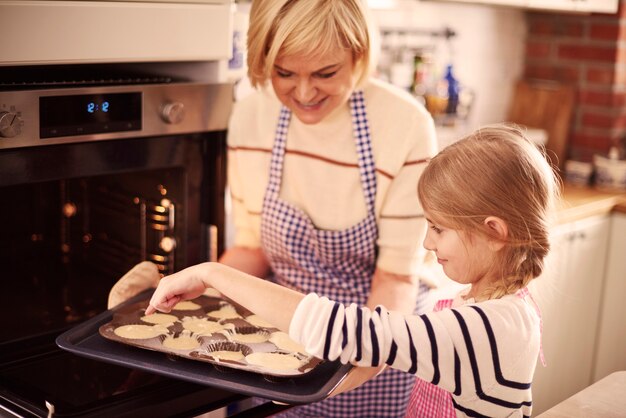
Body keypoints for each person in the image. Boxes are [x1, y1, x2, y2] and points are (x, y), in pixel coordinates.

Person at [146, 124, 560, 418]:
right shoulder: (490, 303)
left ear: (494, 232)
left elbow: (351, 332)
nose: (427, 244)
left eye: (438, 228)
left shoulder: (491, 330)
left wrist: (214, 274)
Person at [215, 0, 437, 415]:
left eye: (325, 73)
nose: (303, 93)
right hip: (275, 339)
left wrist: (347, 369)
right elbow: (252, 248)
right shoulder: (251, 116)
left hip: (374, 337)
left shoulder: (404, 124)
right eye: (284, 73)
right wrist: (193, 293)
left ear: (359, 56)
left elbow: (395, 276)